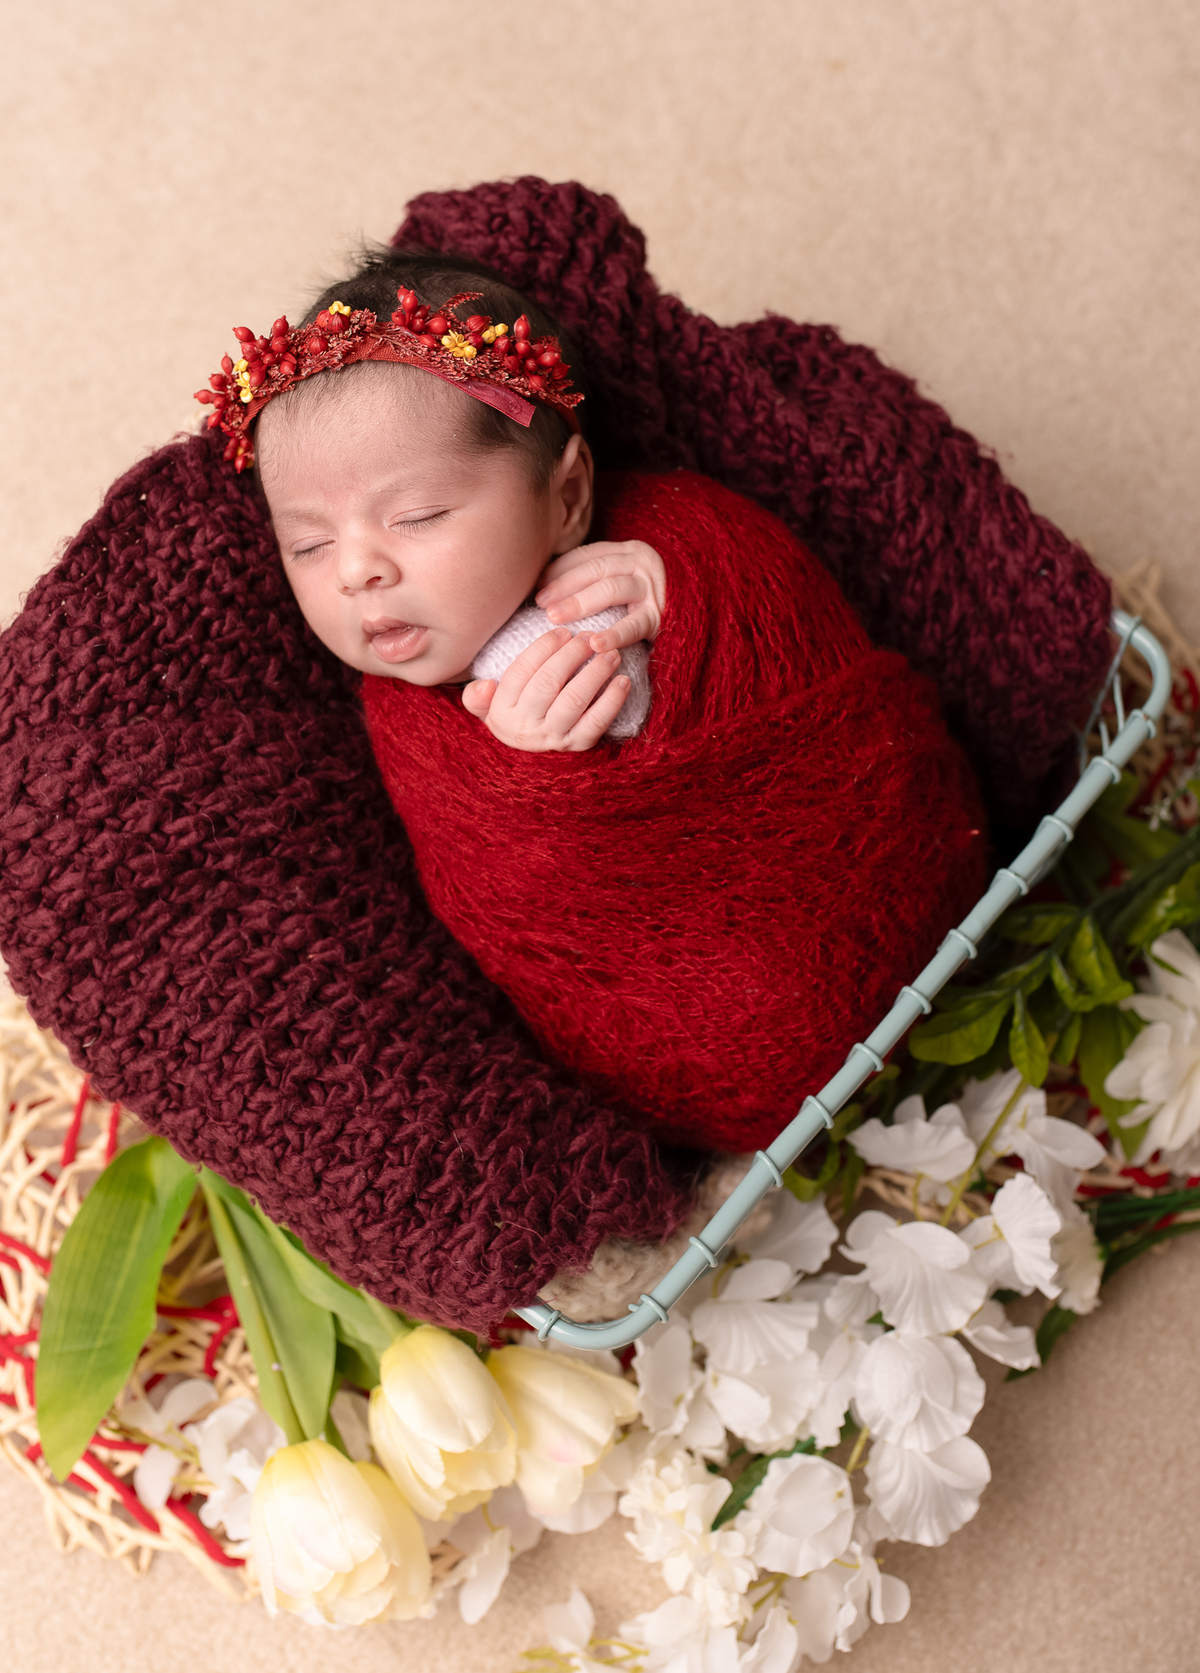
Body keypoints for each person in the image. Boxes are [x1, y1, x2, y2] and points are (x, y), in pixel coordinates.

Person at [203, 247, 989, 1316]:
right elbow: (491, 904)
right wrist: (533, 799)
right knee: (730, 1017)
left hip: (858, 874)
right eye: (307, 545)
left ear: (568, 492)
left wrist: (695, 594)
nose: (358, 571)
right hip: (685, 1031)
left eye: (417, 518)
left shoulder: (674, 531)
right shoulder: (405, 714)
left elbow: (812, 662)